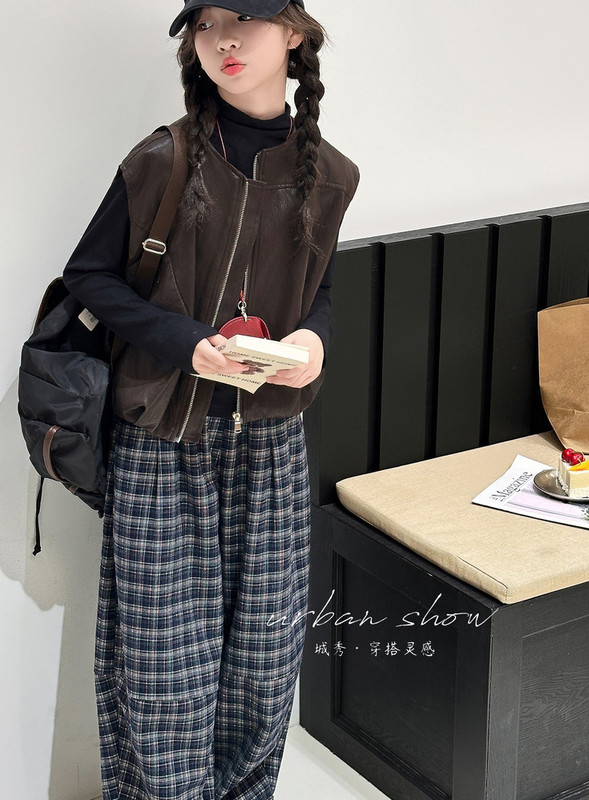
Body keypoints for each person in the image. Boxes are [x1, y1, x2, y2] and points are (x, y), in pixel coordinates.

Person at [63, 1, 359, 798]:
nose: (223, 40)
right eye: (205, 24)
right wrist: (182, 341)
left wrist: (313, 342)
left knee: (265, 673)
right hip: (164, 443)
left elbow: (321, 290)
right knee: (163, 681)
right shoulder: (163, 158)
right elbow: (88, 277)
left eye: (246, 20)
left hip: (273, 448)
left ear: (294, 32)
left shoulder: (332, 174)